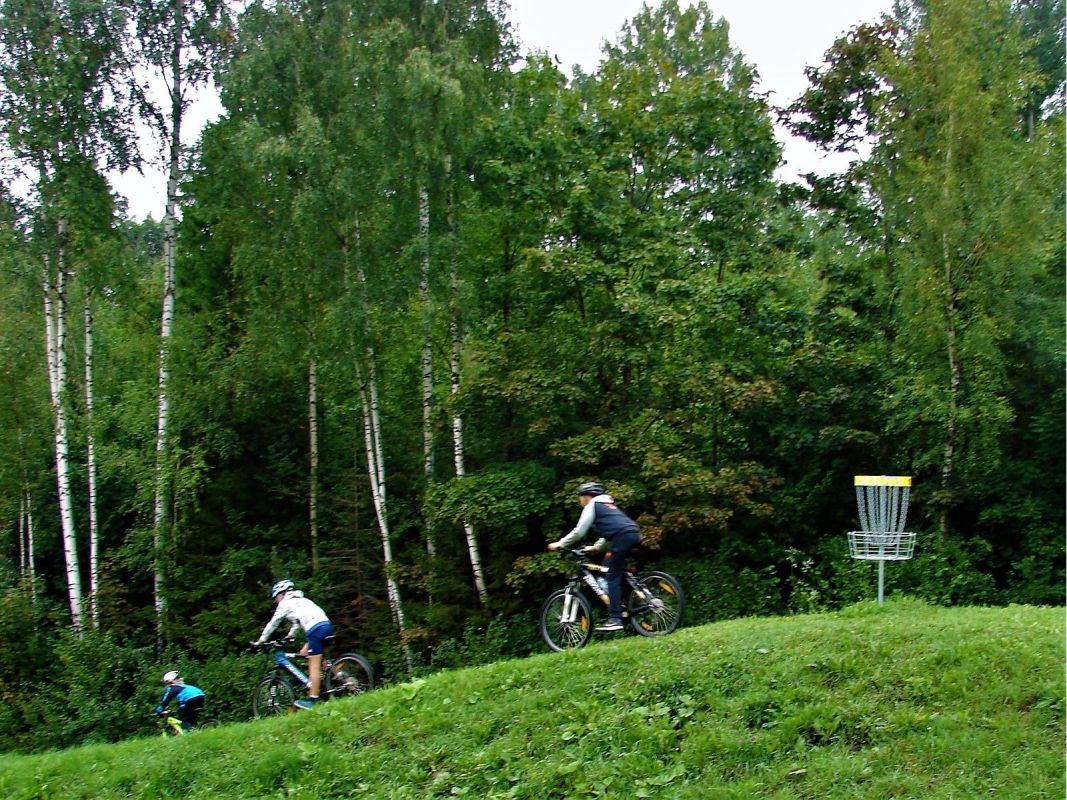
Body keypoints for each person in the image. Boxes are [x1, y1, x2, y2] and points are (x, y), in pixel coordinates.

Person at [548, 481, 641, 632]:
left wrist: (560, 543)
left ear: (587, 496)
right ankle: (622, 604)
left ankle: (615, 618)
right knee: (611, 567)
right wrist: (596, 547)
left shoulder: (592, 505)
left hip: (621, 537)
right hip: (633, 534)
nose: (580, 500)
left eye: (580, 496)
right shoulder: (608, 505)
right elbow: (614, 528)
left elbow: (579, 531)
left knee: (611, 573)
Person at [254, 579, 334, 710]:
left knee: (313, 666)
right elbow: (297, 622)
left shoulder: (285, 603)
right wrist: (290, 636)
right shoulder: (302, 600)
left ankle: (312, 700)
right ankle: (339, 676)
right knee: (304, 652)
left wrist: (261, 640)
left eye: (276, 598)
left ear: (281, 594)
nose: (276, 601)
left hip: (314, 629)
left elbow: (273, 623)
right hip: (326, 625)